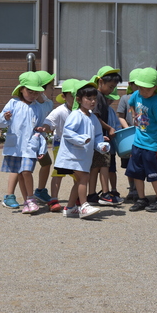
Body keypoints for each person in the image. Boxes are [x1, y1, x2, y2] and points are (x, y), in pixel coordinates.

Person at [53, 79, 110, 219]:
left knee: (80, 180)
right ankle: (84, 205)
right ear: (79, 99)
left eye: (94, 99)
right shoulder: (76, 115)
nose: (92, 102)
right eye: (88, 98)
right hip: (72, 156)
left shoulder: (93, 118)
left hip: (84, 157)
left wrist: (101, 145)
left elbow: (97, 136)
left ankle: (71, 207)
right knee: (84, 177)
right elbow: (67, 132)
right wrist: (82, 139)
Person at [0, 71, 48, 214]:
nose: (33, 95)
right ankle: (27, 201)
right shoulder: (13, 103)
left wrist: (42, 149)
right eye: (30, 92)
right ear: (21, 90)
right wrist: (5, 118)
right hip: (15, 146)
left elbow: (40, 131)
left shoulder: (38, 107)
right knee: (19, 173)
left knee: (26, 171)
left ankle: (31, 198)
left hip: (30, 147)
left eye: (36, 93)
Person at [126, 68, 157, 213]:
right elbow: (130, 104)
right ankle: (141, 198)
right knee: (137, 173)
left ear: (155, 88)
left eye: (147, 89)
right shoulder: (136, 95)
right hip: (137, 143)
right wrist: (133, 115)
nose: (143, 91)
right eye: (141, 88)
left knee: (153, 174)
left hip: (152, 146)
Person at [40, 78, 79, 212]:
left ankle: (77, 197)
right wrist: (45, 127)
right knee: (58, 173)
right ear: (64, 96)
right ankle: (54, 199)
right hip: (61, 146)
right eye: (72, 95)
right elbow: (49, 121)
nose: (76, 98)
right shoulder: (60, 111)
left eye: (78, 95)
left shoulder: (82, 111)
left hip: (77, 147)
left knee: (77, 173)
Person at [88, 66, 123, 207]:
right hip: (101, 139)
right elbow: (95, 117)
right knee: (103, 165)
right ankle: (105, 194)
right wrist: (109, 128)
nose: (111, 90)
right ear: (100, 82)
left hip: (99, 139)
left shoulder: (101, 97)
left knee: (97, 166)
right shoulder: (98, 98)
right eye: (110, 87)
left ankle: (92, 194)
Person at [117, 68, 142, 202]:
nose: (138, 87)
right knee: (129, 164)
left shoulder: (146, 98)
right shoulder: (125, 98)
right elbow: (120, 116)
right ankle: (132, 188)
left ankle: (139, 190)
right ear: (130, 84)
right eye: (135, 84)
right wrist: (128, 128)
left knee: (140, 163)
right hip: (129, 137)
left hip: (143, 135)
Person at [33, 70, 56, 205]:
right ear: (42, 89)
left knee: (46, 163)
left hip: (41, 141)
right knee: (24, 168)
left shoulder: (49, 104)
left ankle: (40, 190)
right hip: (29, 140)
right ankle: (10, 194)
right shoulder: (31, 103)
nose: (53, 89)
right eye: (51, 87)